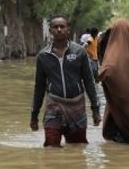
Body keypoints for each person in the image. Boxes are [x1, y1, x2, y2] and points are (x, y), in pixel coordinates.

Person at [30, 15, 101, 147]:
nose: (59, 29)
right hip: (54, 105)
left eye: (62, 26)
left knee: (77, 148)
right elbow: (39, 87)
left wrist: (95, 109)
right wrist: (34, 115)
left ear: (68, 29)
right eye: (55, 27)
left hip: (77, 107)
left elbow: (89, 82)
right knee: (51, 147)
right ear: (50, 30)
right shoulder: (43, 56)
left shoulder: (80, 52)